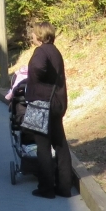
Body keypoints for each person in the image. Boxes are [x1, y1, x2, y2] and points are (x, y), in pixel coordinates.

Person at [25, 21, 73, 199]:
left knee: (43, 147)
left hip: (42, 104)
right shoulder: (55, 51)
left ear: (39, 35)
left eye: (33, 33)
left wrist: (36, 78)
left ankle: (46, 188)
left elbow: (38, 67)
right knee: (60, 145)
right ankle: (64, 187)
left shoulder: (41, 51)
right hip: (57, 103)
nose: (31, 35)